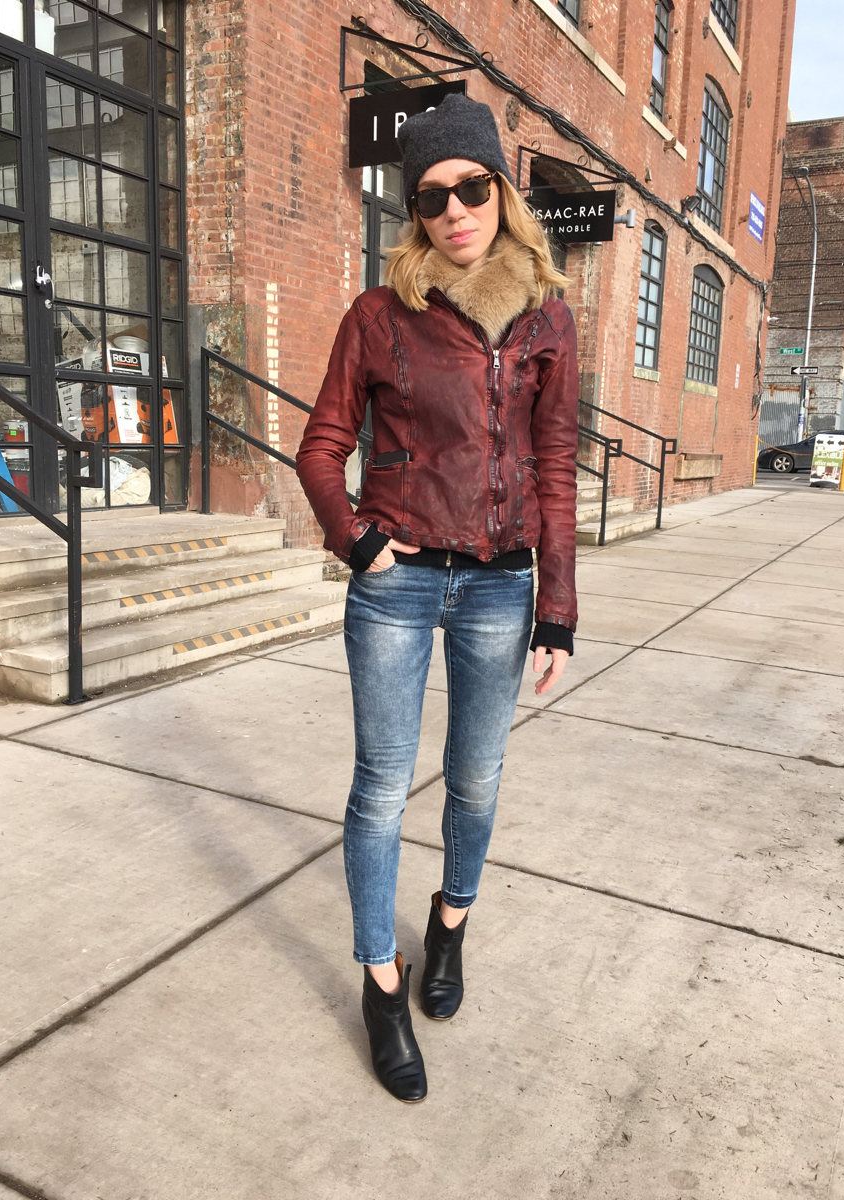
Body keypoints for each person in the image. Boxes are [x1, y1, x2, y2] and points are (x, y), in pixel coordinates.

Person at [296, 92, 578, 1102]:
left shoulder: (547, 317)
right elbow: (321, 445)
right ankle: (382, 981)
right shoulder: (381, 316)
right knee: (379, 790)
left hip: (502, 586)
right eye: (431, 197)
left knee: (477, 783)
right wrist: (358, 541)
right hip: (399, 588)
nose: (455, 209)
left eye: (472, 186)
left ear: (500, 187)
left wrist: (558, 607)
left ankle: (450, 926)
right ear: (414, 212)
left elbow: (553, 460)